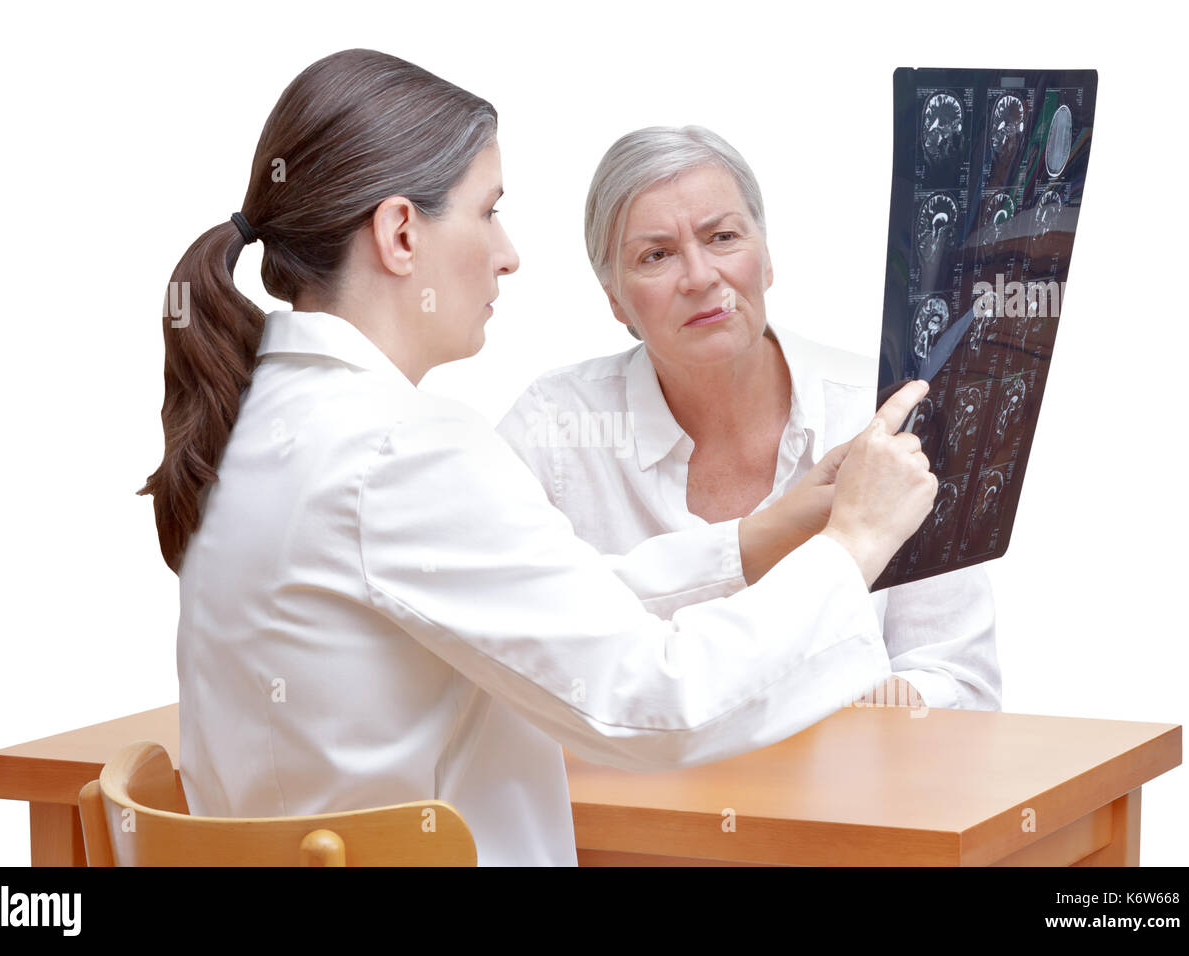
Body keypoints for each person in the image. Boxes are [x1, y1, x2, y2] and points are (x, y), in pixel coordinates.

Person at [139, 50, 937, 866]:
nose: (509, 253)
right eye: (488, 212)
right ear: (400, 232)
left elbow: (536, 607)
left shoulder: (260, 426)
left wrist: (751, 544)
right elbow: (658, 699)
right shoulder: (403, 451)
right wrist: (855, 545)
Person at [497, 127, 1000, 712]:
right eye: (655, 255)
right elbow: (512, 636)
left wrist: (872, 705)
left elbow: (962, 681)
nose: (701, 276)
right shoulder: (553, 431)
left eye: (723, 237)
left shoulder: (890, 416)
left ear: (765, 259)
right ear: (614, 299)